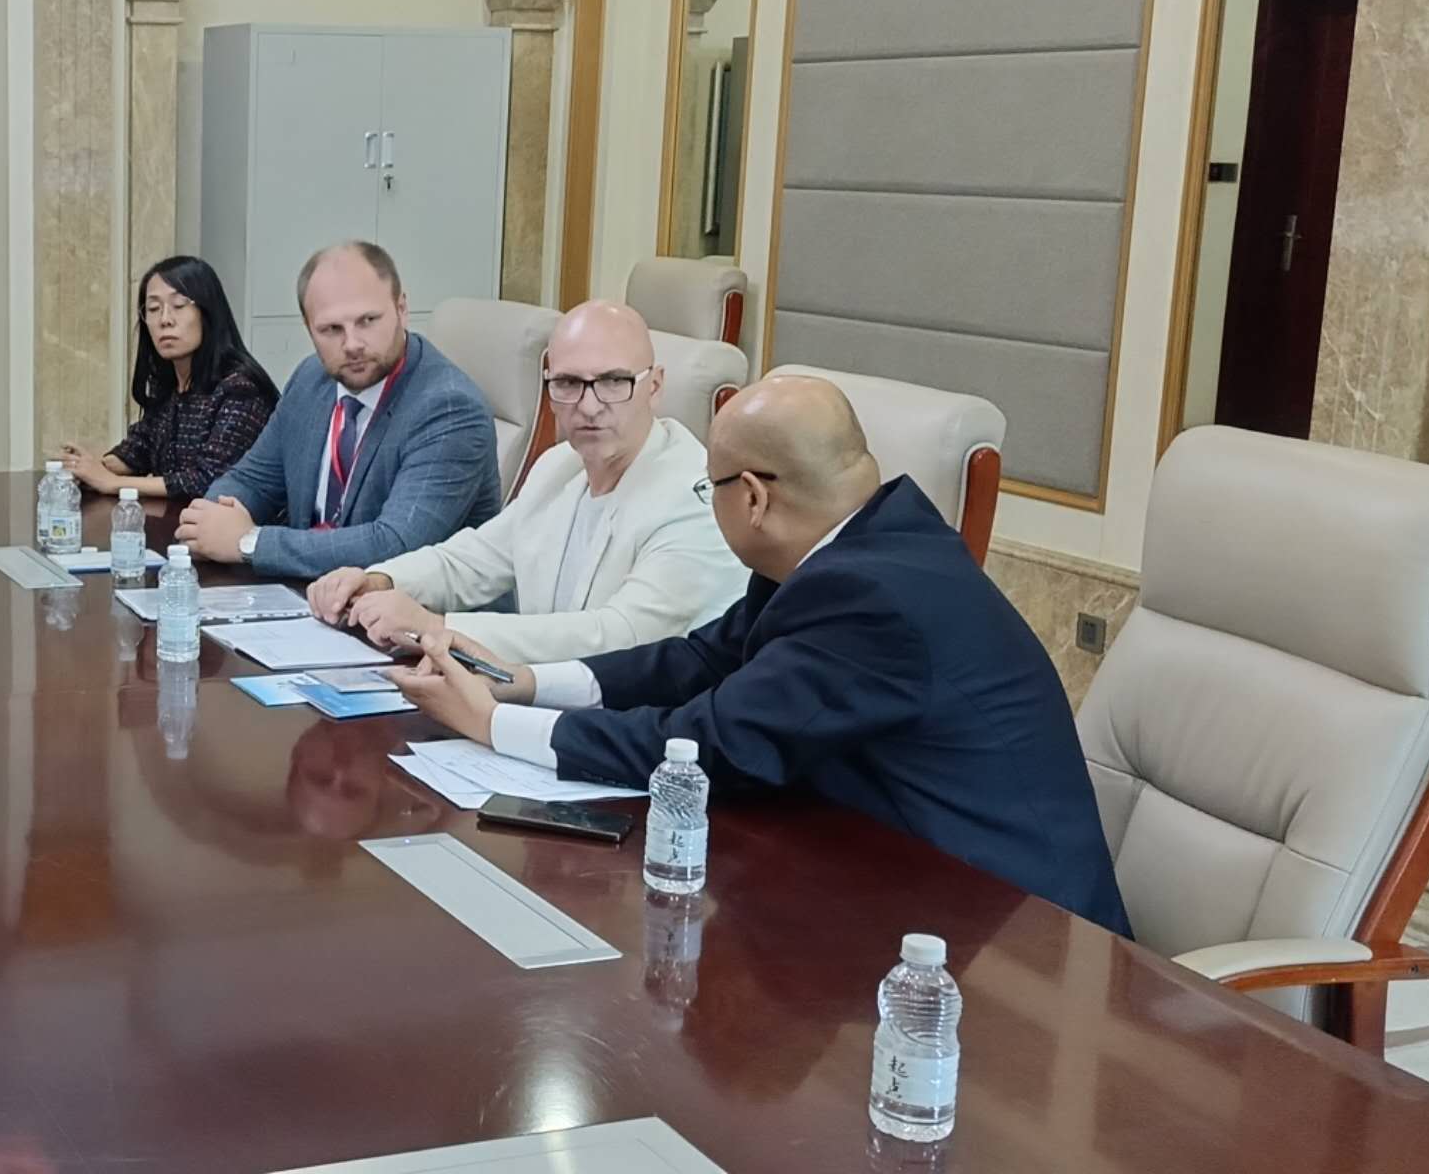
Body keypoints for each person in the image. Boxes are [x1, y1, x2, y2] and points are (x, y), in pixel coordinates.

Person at [386, 375, 1132, 936]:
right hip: (890, 878)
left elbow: (710, 746)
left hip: (1017, 937)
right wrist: (525, 683)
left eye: (706, 488)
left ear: (751, 497)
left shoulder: (871, 598)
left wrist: (489, 725)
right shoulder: (855, 544)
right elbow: (702, 661)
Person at [304, 301, 746, 662]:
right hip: (549, 705)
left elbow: (619, 637)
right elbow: (472, 560)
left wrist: (438, 628)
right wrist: (380, 580)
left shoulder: (696, 498)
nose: (589, 406)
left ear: (656, 386)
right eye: (568, 383)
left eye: (614, 382)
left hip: (651, 727)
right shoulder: (560, 466)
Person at [175, 241, 502, 580]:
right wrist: (212, 521)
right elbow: (251, 480)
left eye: (368, 320)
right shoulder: (311, 378)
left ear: (402, 309)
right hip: (310, 594)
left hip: (414, 608)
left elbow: (396, 545)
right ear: (308, 328)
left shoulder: (449, 408)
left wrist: (249, 542)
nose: (352, 344)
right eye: (331, 329)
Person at [56, 255, 279, 501]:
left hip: (238, 523)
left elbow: (208, 480)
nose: (165, 320)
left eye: (179, 305)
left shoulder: (241, 389)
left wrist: (112, 483)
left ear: (208, 312)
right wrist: (90, 468)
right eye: (153, 309)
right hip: (181, 520)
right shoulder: (170, 384)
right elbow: (140, 447)